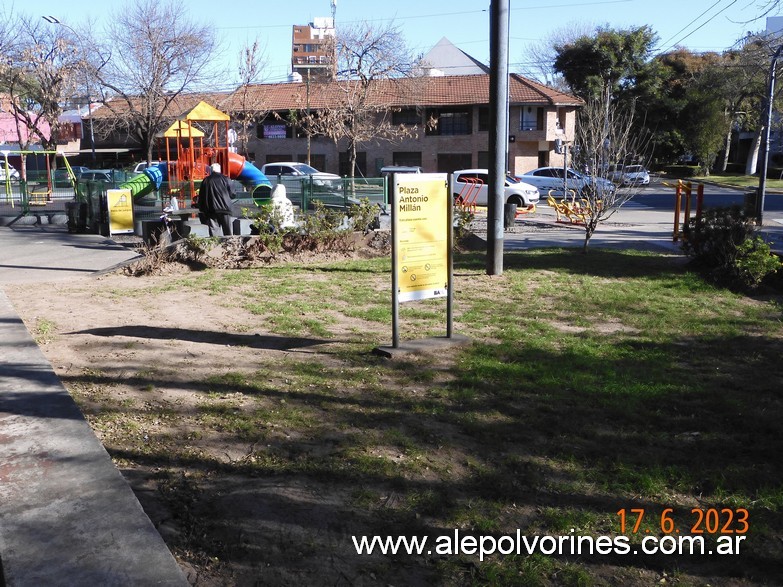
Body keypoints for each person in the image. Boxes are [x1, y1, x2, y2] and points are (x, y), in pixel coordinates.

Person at [197, 162, 234, 236]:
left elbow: (201, 196)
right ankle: (229, 246)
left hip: (211, 210)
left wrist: (201, 208)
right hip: (225, 209)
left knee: (214, 233)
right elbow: (233, 194)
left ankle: (216, 246)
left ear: (210, 170)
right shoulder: (226, 179)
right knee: (228, 233)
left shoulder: (206, 181)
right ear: (220, 170)